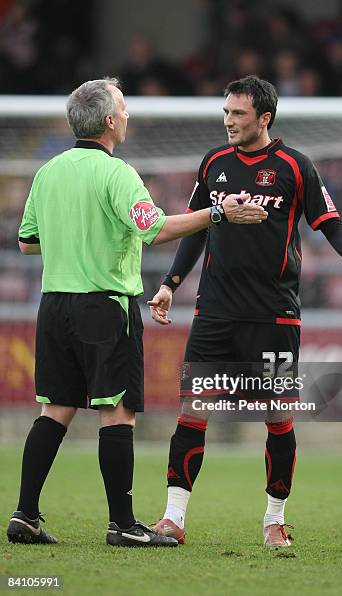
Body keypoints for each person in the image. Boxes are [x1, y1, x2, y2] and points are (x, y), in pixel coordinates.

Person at [6, 77, 267, 548]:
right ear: (109, 121)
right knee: (118, 414)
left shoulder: (48, 172)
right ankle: (123, 524)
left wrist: (75, 237)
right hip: (105, 306)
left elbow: (27, 242)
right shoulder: (118, 174)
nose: (127, 115)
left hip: (54, 306)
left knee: (55, 410)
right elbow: (157, 229)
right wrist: (218, 213)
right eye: (123, 109)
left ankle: (25, 514)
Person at [148, 74, 342, 547]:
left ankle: (273, 521)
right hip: (214, 313)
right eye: (226, 112)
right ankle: (173, 518)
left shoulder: (295, 166)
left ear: (264, 118)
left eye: (238, 114)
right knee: (192, 413)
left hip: (275, 316)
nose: (228, 122)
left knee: (278, 419)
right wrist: (169, 284)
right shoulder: (213, 164)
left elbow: (331, 222)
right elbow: (197, 229)